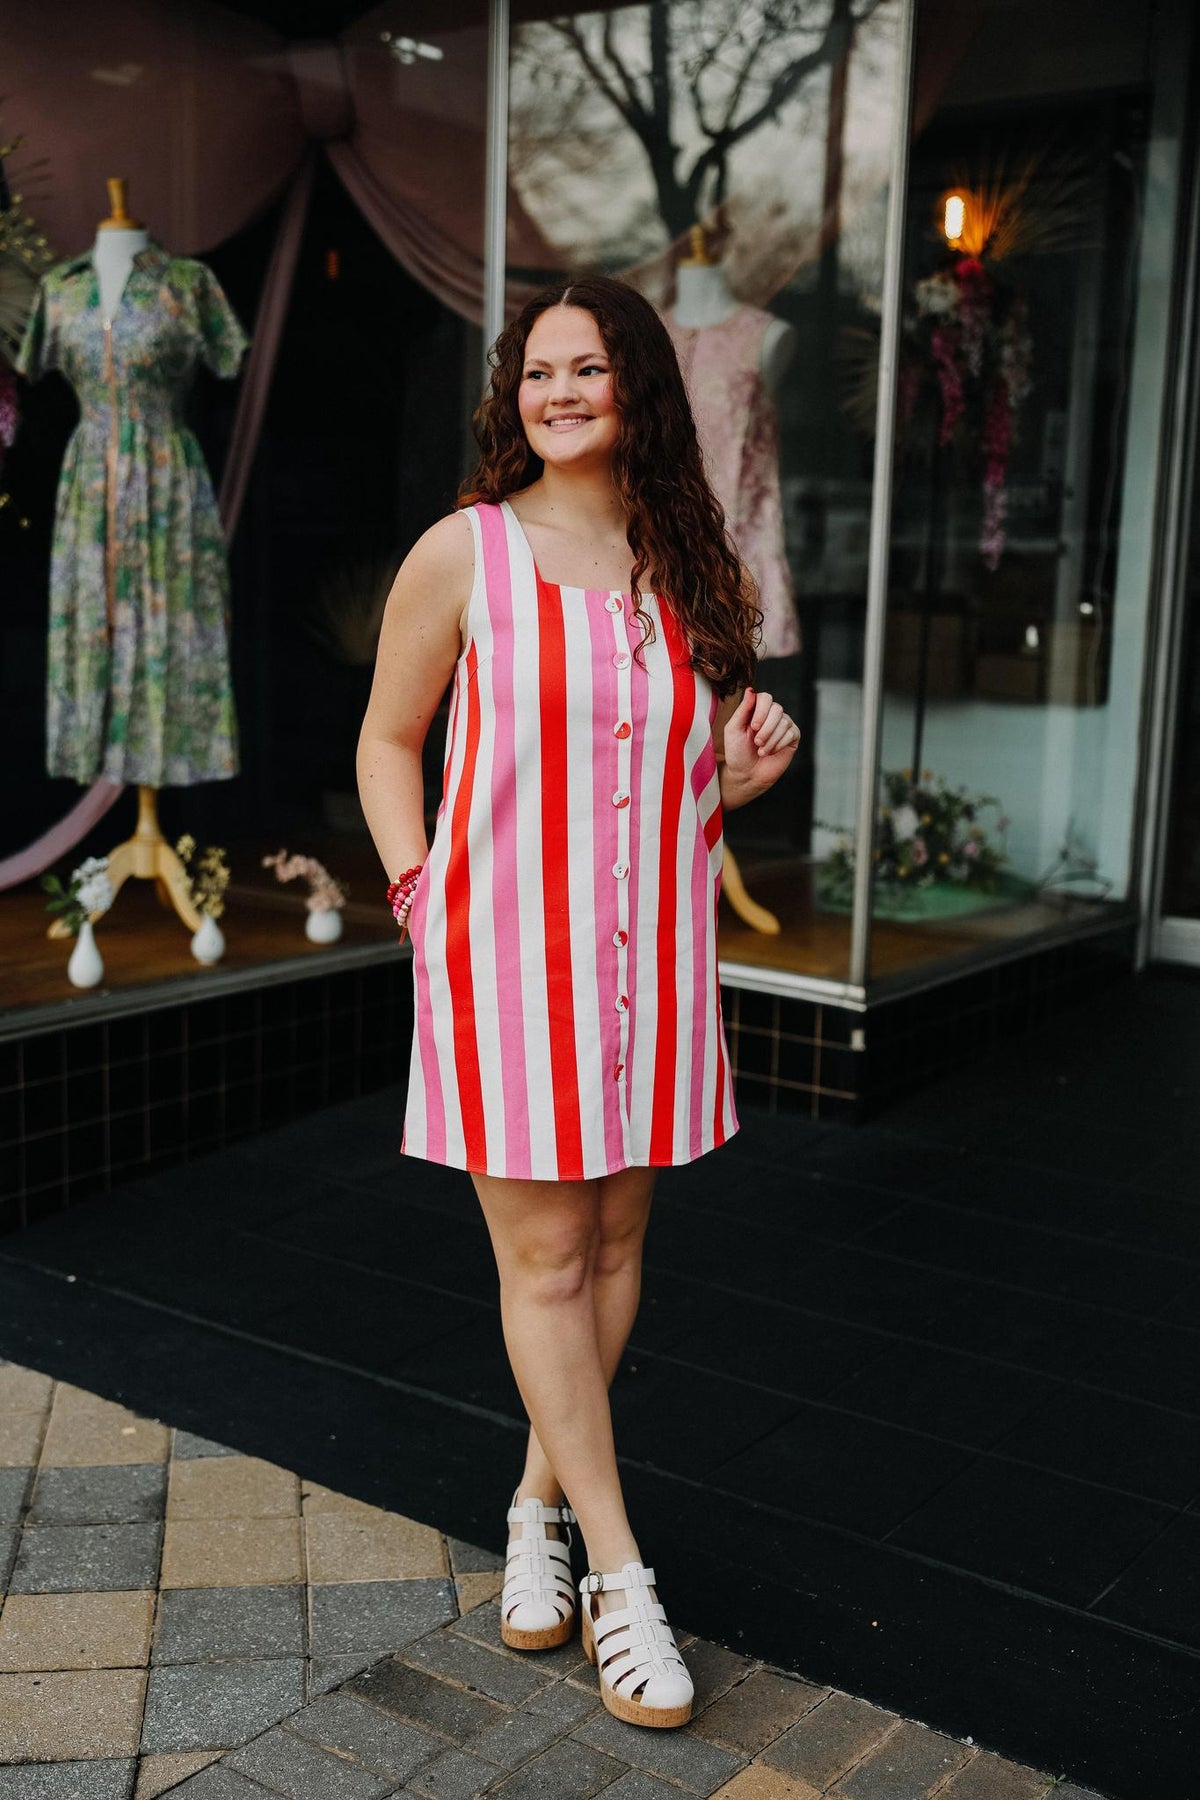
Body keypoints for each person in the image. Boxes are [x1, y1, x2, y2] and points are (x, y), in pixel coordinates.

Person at [357, 275, 799, 1730]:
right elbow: (389, 740)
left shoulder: (685, 561)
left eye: (589, 369)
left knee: (611, 1244)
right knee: (546, 1261)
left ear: (639, 391)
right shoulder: (465, 554)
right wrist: (423, 897)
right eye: (539, 370)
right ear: (515, 394)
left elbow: (653, 789)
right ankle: (620, 1574)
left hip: (652, 970)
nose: (558, 392)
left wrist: (728, 784)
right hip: (504, 968)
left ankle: (538, 1505)